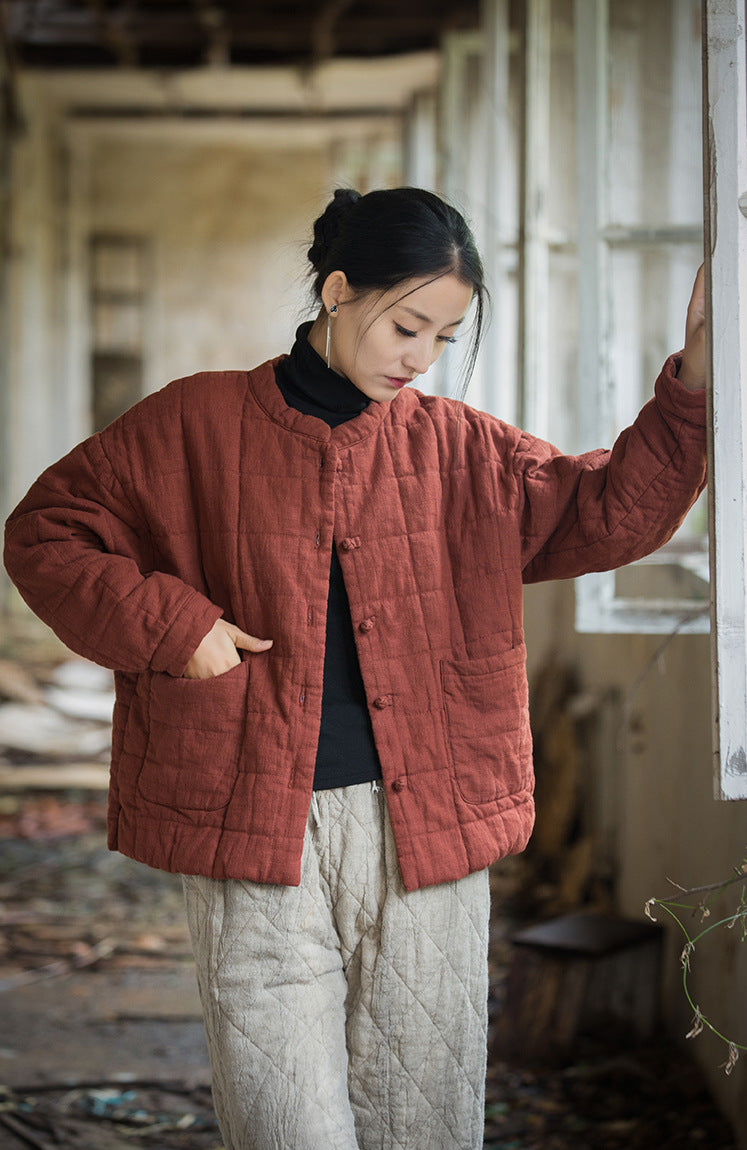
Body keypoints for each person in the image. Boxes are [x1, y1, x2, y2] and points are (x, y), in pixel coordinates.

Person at [3, 187, 707, 1150]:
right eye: (406, 325)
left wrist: (693, 386)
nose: (419, 358)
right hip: (252, 824)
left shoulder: (462, 451)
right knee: (286, 1122)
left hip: (427, 829)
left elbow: (608, 511)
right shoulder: (191, 423)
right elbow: (46, 534)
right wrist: (174, 627)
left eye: (444, 338)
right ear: (336, 290)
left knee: (423, 1115)